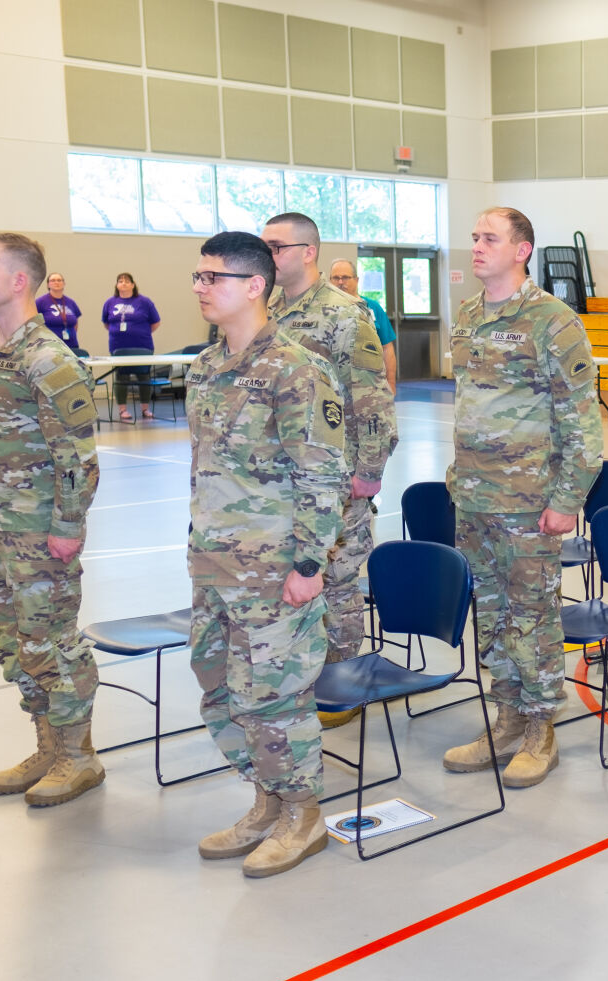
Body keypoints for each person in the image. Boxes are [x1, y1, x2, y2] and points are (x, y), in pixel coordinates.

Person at [187, 231, 349, 878]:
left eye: (212, 278)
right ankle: (265, 800)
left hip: (275, 567)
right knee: (222, 688)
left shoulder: (295, 369)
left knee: (276, 696)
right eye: (197, 277)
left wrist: (310, 565)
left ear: (254, 285)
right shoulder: (204, 367)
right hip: (214, 562)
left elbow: (322, 472)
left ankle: (302, 814)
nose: (200, 287)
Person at [440, 207, 603, 787]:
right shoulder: (466, 315)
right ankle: (506, 720)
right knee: (491, 614)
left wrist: (567, 497)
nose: (477, 246)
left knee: (532, 617)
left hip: (529, 500)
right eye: (474, 236)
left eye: (489, 238)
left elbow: (582, 420)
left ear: (522, 250)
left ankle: (541, 730)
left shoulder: (551, 320)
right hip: (476, 498)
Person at [0, 232, 104, 807]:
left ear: (18, 281)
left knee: (52, 645)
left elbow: (78, 458)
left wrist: (68, 528)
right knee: (14, 644)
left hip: (39, 534)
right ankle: (47, 745)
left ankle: (78, 757)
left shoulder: (49, 359)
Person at [262, 214, 396, 727]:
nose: (267, 255)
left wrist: (369, 471)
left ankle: (341, 682)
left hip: (336, 478)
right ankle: (296, 677)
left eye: (277, 246)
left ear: (307, 251)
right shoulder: (267, 310)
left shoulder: (345, 315)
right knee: (292, 581)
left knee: (337, 582)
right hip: (281, 479)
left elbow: (372, 397)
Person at [328, 259, 399, 392]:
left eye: (345, 277)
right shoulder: (324, 309)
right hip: (334, 386)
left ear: (356, 280)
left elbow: (387, 348)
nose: (340, 282)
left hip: (370, 386)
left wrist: (391, 383)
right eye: (336, 278)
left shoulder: (372, 307)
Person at [101, 272, 161, 420]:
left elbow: (155, 323)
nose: (123, 283)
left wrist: (139, 332)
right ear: (116, 285)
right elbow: (106, 323)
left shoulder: (144, 302)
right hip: (119, 346)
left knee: (144, 377)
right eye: (120, 281)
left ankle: (145, 409)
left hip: (142, 345)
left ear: (133, 285)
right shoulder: (110, 302)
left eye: (127, 281)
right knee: (121, 377)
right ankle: (122, 410)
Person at [35, 273, 83, 351]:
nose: (56, 282)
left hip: (71, 345)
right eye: (53, 280)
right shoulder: (40, 302)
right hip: (50, 347)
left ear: (64, 284)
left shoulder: (71, 302)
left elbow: (75, 323)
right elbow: (35, 323)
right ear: (48, 285)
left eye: (59, 280)